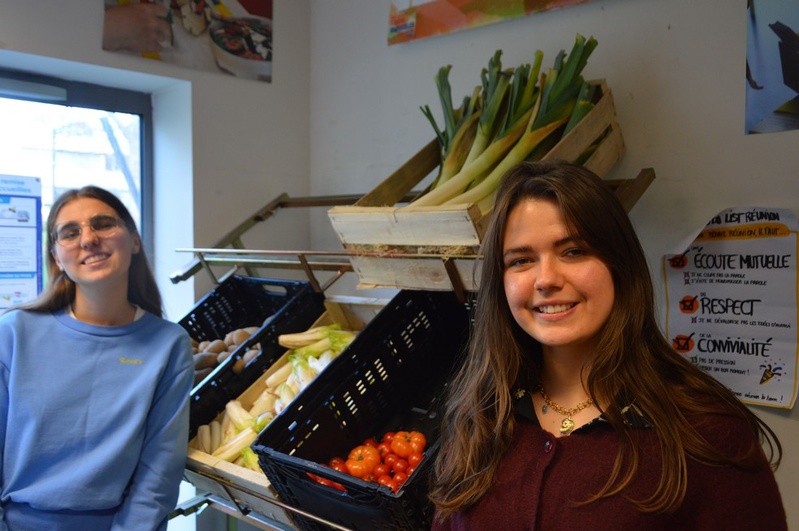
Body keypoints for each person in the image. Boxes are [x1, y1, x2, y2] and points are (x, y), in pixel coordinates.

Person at [429, 160, 786, 530]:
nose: (546, 279)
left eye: (573, 251)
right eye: (521, 260)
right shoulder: (480, 416)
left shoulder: (706, 430)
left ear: (619, 263)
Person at [0, 186, 193, 530]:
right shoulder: (14, 334)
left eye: (103, 224)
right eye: (70, 233)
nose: (88, 239)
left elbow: (159, 473)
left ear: (134, 241)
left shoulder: (168, 345)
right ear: (57, 257)